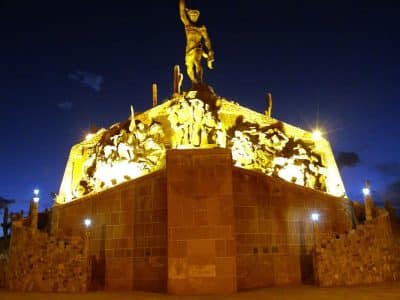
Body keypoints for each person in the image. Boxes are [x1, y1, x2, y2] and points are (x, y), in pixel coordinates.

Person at [179, 0, 214, 84]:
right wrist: (182, 2)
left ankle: (199, 81)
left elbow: (207, 39)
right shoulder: (188, 25)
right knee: (189, 67)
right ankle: (194, 82)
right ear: (189, 15)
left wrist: (209, 50)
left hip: (198, 48)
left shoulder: (201, 28)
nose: (194, 16)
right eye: (192, 14)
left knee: (197, 63)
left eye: (196, 15)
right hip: (189, 49)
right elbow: (182, 14)